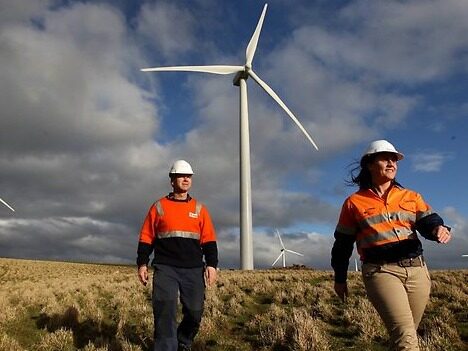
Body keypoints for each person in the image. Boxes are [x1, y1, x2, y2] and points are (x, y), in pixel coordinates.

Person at [331, 140, 451, 351]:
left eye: (394, 159)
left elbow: (428, 222)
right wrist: (340, 278)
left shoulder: (411, 196)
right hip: (381, 271)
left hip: (418, 272)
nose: (391, 162)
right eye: (385, 158)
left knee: (404, 337)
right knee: (406, 339)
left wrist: (438, 229)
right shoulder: (354, 203)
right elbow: (342, 245)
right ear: (369, 164)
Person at [137, 160, 218, 351]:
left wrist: (212, 265)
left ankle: (183, 341)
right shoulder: (158, 207)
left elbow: (209, 240)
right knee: (165, 311)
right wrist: (142, 263)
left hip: (193, 269)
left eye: (188, 176)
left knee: (195, 312)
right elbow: (146, 237)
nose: (186, 179)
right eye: (182, 176)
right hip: (166, 268)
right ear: (172, 180)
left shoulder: (200, 209)